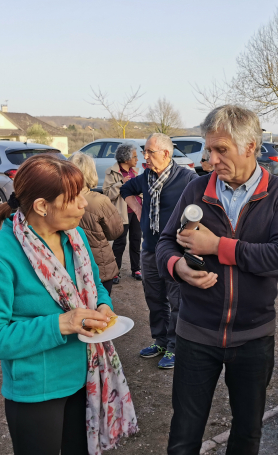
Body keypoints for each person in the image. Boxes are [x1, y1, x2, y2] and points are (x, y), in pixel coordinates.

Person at [0, 155, 137, 455]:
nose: (83, 205)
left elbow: (96, 287)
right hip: (37, 390)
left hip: (86, 376)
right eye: (73, 199)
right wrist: (62, 323)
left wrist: (103, 306)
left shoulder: (76, 237)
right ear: (43, 206)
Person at [156, 105, 278, 455]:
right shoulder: (196, 188)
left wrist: (216, 246)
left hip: (253, 337)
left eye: (222, 150)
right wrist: (177, 268)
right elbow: (163, 244)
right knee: (185, 432)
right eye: (209, 149)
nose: (211, 159)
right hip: (195, 333)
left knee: (248, 431)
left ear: (250, 146)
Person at [120, 133, 197, 369]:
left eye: (149, 153)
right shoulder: (145, 178)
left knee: (176, 299)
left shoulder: (187, 179)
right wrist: (138, 208)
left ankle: (175, 346)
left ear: (166, 153)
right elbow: (125, 190)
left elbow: (202, 208)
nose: (145, 157)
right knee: (154, 297)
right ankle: (160, 341)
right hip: (150, 249)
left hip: (175, 251)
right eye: (144, 152)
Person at [69, 152, 123, 295]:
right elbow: (115, 232)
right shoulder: (100, 201)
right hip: (99, 265)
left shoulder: (58, 200)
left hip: (69, 267)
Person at [103, 144, 142, 284]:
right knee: (120, 242)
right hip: (122, 213)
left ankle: (136, 269)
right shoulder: (112, 172)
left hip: (136, 212)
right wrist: (120, 183)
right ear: (126, 159)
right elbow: (107, 194)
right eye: (135, 156)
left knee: (136, 240)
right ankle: (115, 272)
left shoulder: (136, 172)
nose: (137, 159)